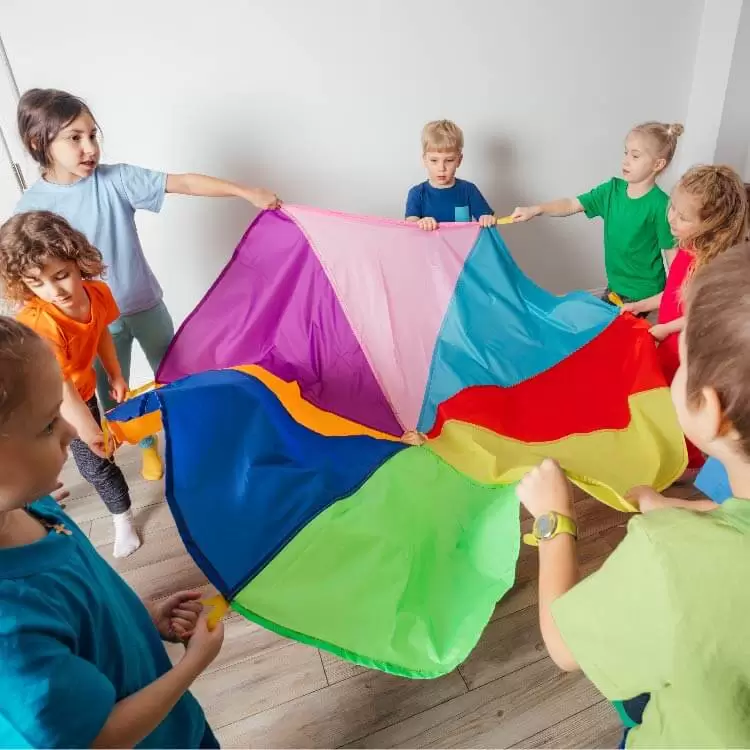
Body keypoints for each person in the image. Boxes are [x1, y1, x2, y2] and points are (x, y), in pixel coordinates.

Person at [516, 242, 750, 747]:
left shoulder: (672, 556)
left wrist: (554, 520)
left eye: (681, 359)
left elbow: (564, 647)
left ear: (711, 411)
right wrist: (681, 507)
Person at [15, 87, 282, 482]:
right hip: (94, 324)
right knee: (116, 397)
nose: (90, 147)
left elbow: (184, 183)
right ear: (40, 143)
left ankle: (198, 445)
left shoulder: (115, 180)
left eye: (93, 135)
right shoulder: (32, 209)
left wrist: (244, 191)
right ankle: (147, 446)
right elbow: (25, 270)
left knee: (179, 376)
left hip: (144, 304)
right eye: (75, 138)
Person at [0, 315, 225, 748]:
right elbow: (96, 739)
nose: (71, 430)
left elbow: (81, 598)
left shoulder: (32, 506)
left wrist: (139, 616)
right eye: (49, 424)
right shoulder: (10, 635)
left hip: (174, 726)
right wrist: (191, 666)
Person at [0, 211, 140, 557]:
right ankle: (33, 499)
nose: (54, 290)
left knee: (98, 463)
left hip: (82, 391)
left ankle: (122, 515)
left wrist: (116, 373)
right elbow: (61, 390)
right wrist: (91, 431)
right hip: (44, 401)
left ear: (78, 261)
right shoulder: (42, 321)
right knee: (89, 458)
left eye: (61, 275)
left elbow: (101, 331)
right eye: (37, 283)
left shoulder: (97, 294)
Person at [622, 165, 748, 469]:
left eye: (683, 217)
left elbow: (698, 315)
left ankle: (686, 463)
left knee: (683, 406)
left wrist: (665, 328)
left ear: (712, 224)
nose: (671, 219)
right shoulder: (688, 249)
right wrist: (642, 304)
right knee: (662, 397)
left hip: (688, 348)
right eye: (672, 209)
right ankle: (662, 446)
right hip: (669, 340)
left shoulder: (711, 265)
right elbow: (673, 294)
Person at [512, 122, 682, 305]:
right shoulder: (611, 191)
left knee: (618, 333)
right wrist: (536, 209)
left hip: (645, 295)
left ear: (658, 164)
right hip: (615, 288)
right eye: (626, 153)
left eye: (635, 156)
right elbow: (571, 204)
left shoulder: (661, 205)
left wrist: (668, 302)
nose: (625, 161)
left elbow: (673, 258)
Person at [405, 119, 495, 230]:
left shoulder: (469, 190)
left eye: (449, 160)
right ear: (424, 160)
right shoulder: (417, 193)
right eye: (434, 160)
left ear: (459, 160)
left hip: (462, 247)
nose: (441, 168)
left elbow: (486, 217)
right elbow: (410, 224)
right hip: (428, 247)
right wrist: (420, 222)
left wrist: (487, 219)